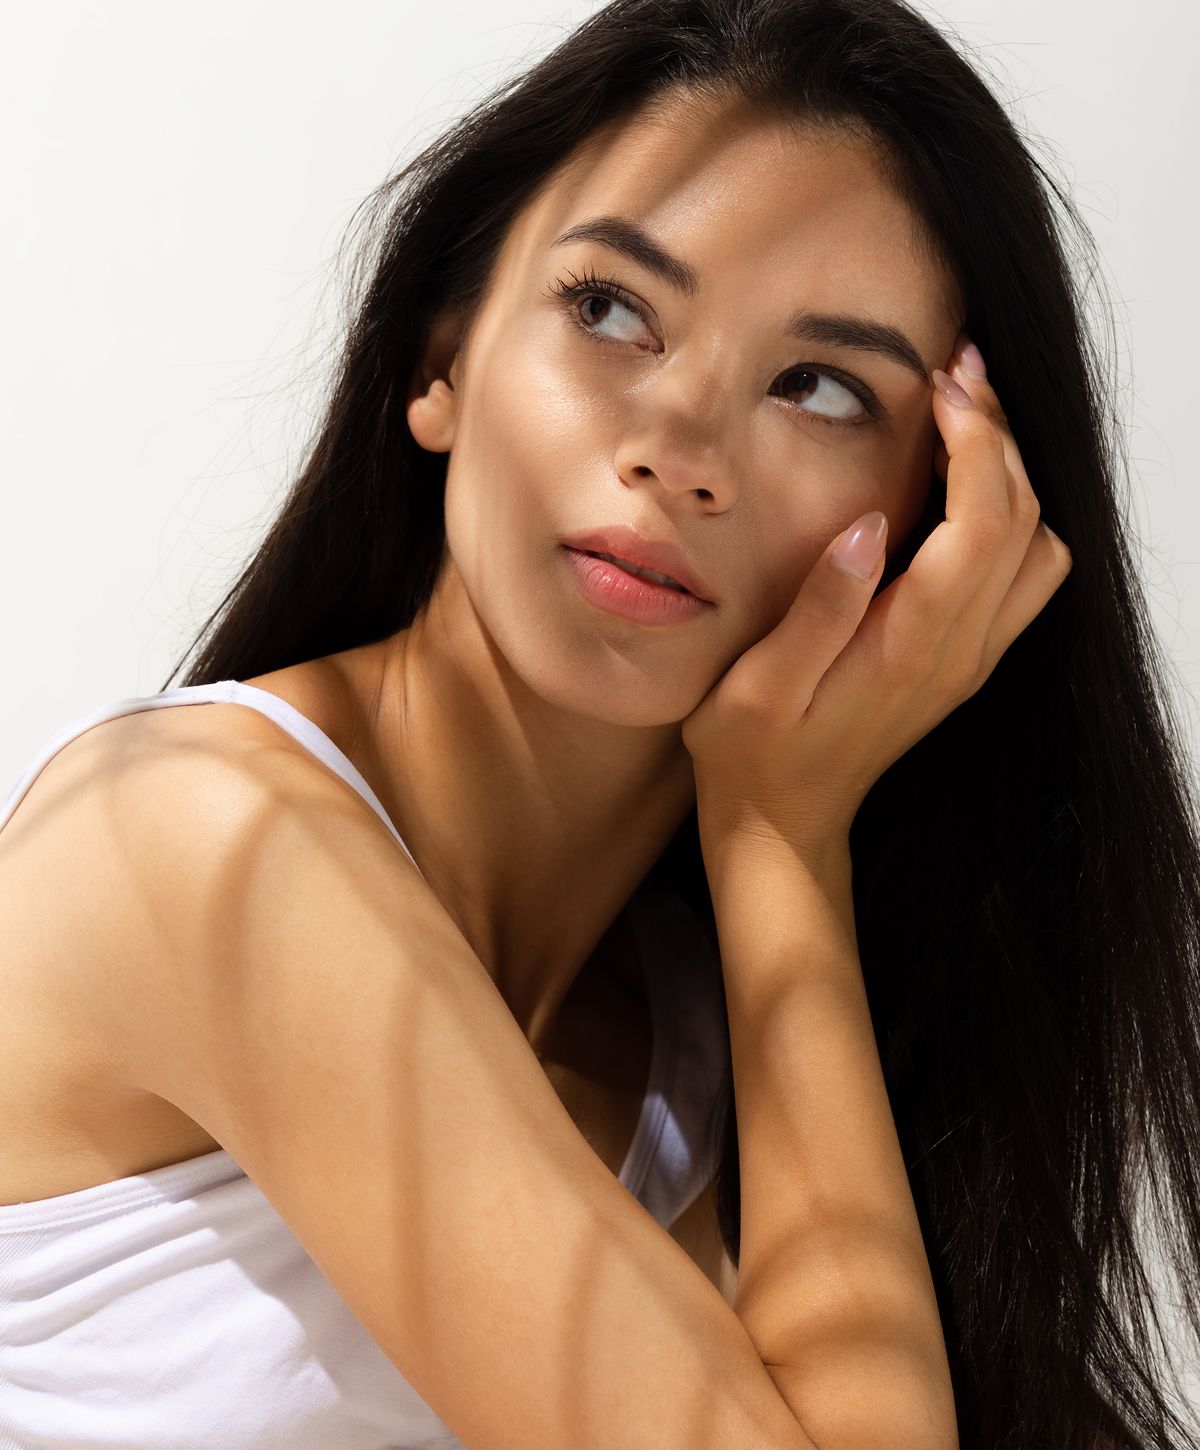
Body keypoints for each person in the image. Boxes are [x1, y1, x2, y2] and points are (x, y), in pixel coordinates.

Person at [1, 0, 1195, 1445]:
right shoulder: (197, 835)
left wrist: (776, 856)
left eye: (817, 387)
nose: (679, 447)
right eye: (611, 308)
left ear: (941, 520)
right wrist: (779, 833)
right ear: (438, 359)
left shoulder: (691, 1027)